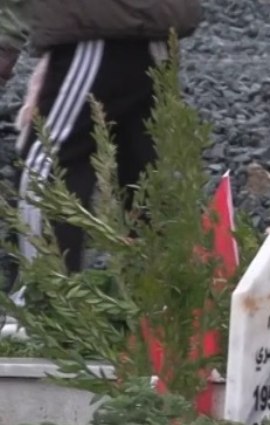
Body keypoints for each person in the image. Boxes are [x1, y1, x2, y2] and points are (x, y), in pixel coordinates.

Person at [0, 0, 202, 281]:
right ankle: (164, 305)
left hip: (99, 23)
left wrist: (7, 38)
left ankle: (46, 299)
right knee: (146, 171)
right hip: (150, 26)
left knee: (50, 157)